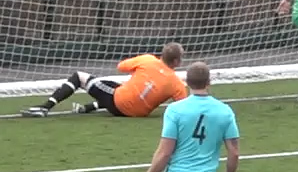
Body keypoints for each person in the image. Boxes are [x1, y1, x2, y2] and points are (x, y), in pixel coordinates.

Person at [24, 43, 186, 117]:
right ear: (177, 62)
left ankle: (45, 107)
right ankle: (87, 108)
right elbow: (183, 106)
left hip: (119, 105)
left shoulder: (148, 59)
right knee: (118, 87)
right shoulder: (177, 84)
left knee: (79, 77)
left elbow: (121, 66)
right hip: (139, 113)